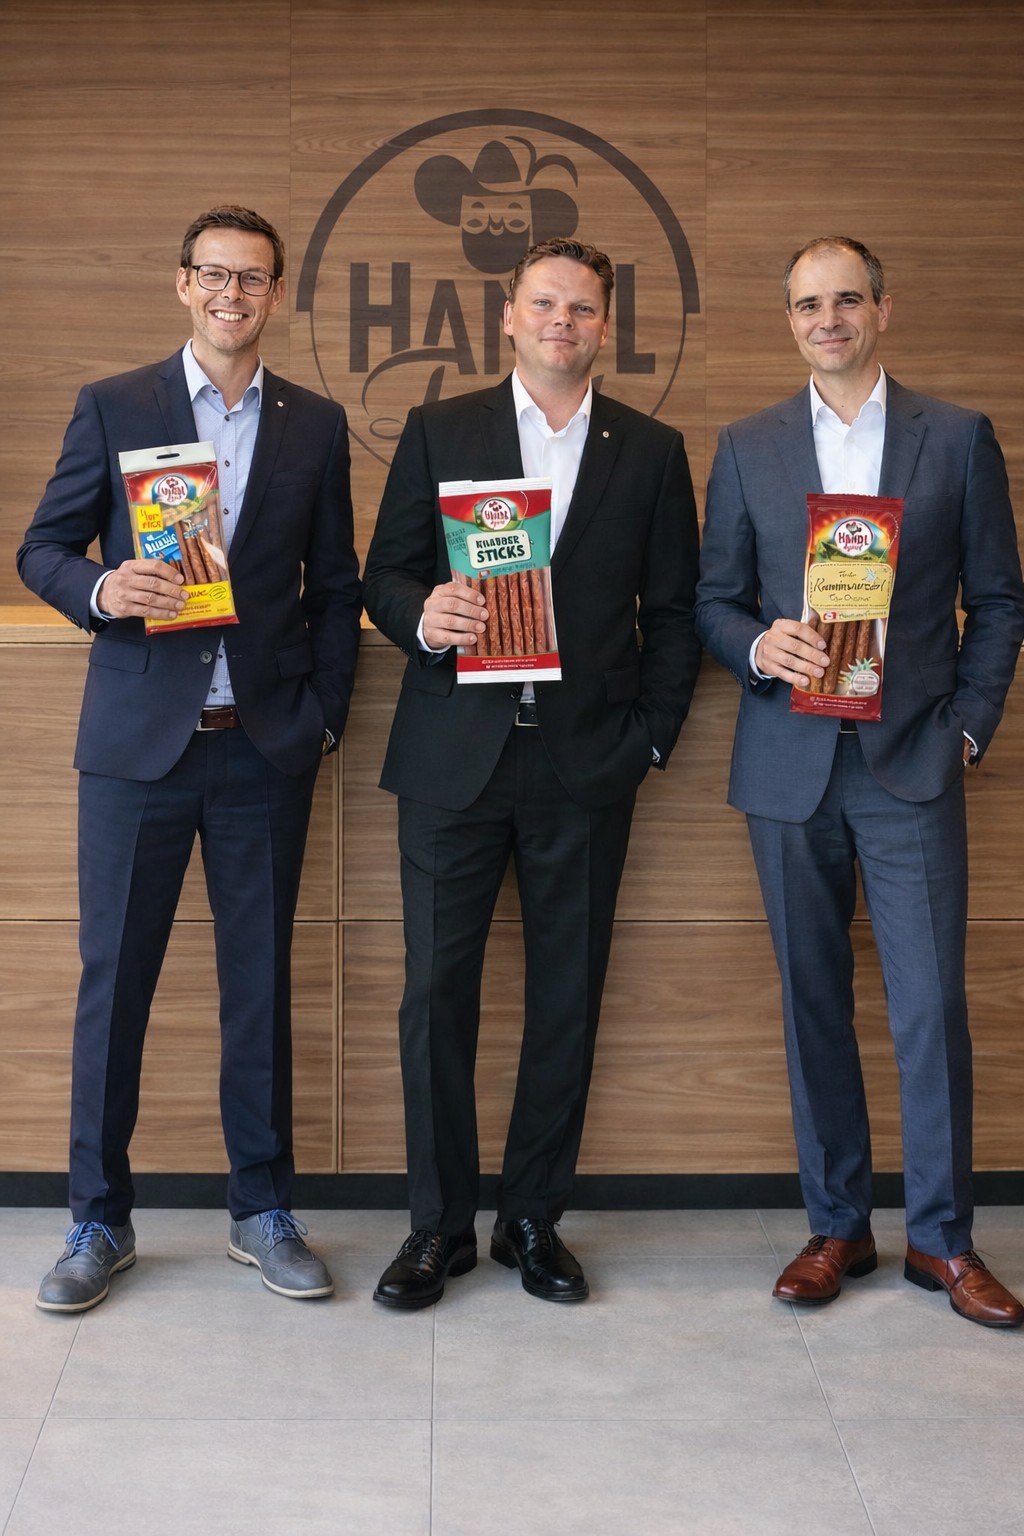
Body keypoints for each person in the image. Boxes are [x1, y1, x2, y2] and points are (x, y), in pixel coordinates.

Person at [18, 206, 361, 1311]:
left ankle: (262, 1211)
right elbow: (41, 548)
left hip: (263, 747)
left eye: (251, 278)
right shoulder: (116, 405)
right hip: (137, 750)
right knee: (113, 985)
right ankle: (96, 1218)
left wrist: (323, 718)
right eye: (213, 275)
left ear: (275, 294)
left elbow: (336, 587)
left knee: (259, 985)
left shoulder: (315, 423)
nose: (231, 295)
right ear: (182, 284)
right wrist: (102, 589)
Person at [363, 236, 700, 1308]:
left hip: (586, 766)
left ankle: (530, 1219)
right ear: (507, 316)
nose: (563, 321)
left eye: (583, 307)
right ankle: (436, 1228)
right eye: (545, 303)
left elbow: (676, 613)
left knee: (567, 997)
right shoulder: (440, 429)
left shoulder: (651, 449)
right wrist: (424, 615)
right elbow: (384, 574)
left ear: (606, 326)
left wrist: (649, 740)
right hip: (451, 759)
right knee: (434, 999)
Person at [695, 235, 1024, 1327]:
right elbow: (711, 601)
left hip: (910, 763)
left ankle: (943, 1240)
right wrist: (759, 645)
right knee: (812, 1005)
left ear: (883, 309)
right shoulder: (747, 446)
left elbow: (1000, 601)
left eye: (845, 300)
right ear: (788, 320)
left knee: (930, 1007)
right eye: (807, 304)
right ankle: (837, 1226)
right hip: (788, 764)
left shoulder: (957, 437)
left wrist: (967, 728)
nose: (826, 319)